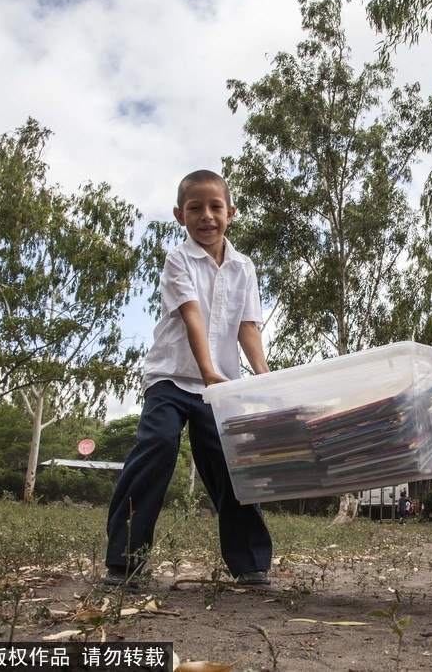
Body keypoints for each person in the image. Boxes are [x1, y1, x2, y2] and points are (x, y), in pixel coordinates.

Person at [104, 169, 273, 590]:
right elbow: (192, 314)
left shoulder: (243, 267)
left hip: (219, 388)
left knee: (230, 464)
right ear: (180, 215)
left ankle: (251, 563)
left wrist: (266, 379)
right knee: (157, 446)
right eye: (195, 208)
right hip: (171, 380)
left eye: (215, 207)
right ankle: (125, 561)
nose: (206, 216)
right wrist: (208, 371)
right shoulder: (178, 259)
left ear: (230, 213)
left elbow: (248, 327)